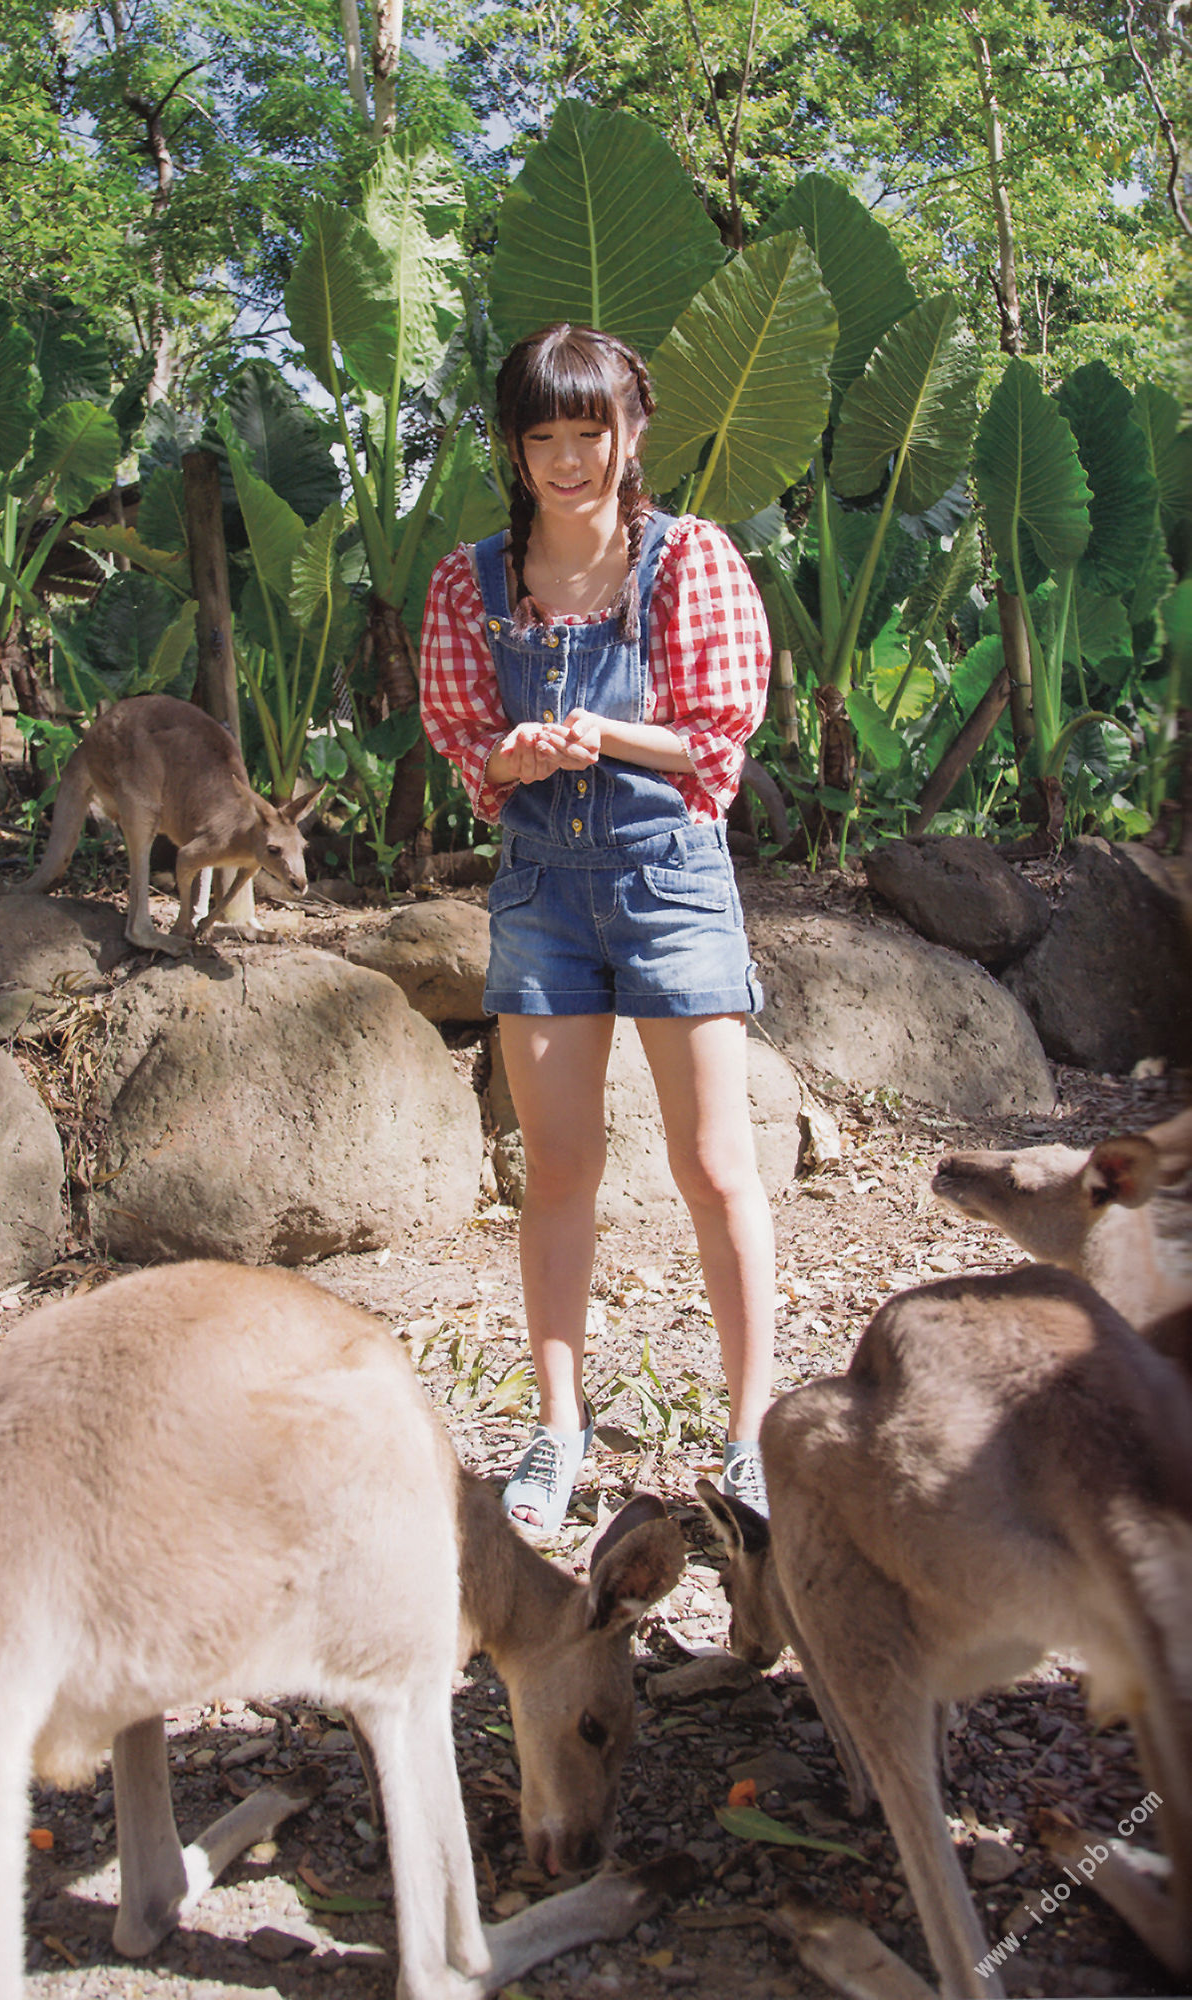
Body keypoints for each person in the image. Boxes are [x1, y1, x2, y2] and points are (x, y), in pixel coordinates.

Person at [419, 321, 776, 1538]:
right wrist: (508, 756)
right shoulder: (471, 580)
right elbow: (465, 737)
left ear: (634, 433)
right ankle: (557, 1425)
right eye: (545, 437)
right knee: (558, 1169)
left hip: (669, 875)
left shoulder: (688, 560)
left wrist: (598, 731)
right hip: (539, 893)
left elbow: (718, 741)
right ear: (514, 449)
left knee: (716, 1165)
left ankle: (751, 1434)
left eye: (593, 432)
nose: (571, 459)